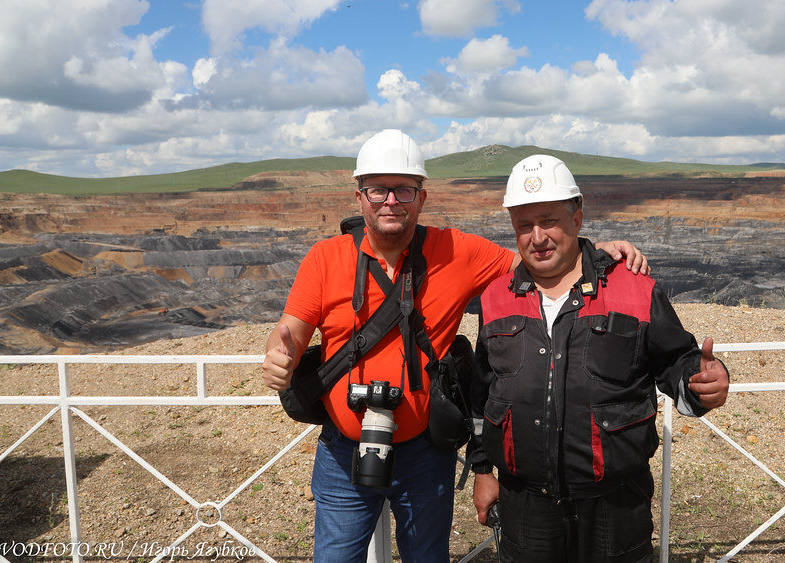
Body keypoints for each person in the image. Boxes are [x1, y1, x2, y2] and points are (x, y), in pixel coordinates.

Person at [261, 130, 647, 563]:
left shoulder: (456, 250)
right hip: (342, 453)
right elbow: (289, 332)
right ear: (359, 197)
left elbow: (534, 260)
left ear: (421, 198)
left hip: (424, 454)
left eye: (404, 189)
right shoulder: (325, 257)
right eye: (378, 190)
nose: (391, 200)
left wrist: (595, 252)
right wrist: (281, 360)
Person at [468, 154, 730, 563]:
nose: (537, 237)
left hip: (615, 504)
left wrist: (700, 383)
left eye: (549, 220)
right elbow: (483, 394)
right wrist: (484, 471)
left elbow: (677, 361)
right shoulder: (495, 298)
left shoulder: (635, 289)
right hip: (525, 505)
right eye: (523, 225)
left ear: (577, 219)